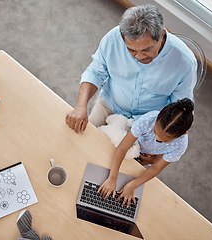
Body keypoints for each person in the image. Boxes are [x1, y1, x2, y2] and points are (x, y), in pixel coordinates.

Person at [66, 4, 197, 134]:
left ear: (161, 35)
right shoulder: (113, 39)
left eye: (146, 49)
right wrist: (80, 106)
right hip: (110, 104)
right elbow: (95, 72)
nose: (139, 57)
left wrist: (160, 143)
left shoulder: (185, 62)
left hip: (151, 121)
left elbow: (180, 107)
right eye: (131, 50)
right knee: (82, 138)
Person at [98, 98, 194, 208]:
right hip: (132, 146)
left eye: (164, 141)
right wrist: (112, 178)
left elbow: (157, 167)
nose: (156, 138)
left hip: (144, 157)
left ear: (184, 134)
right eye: (154, 131)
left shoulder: (180, 145)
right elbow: (122, 148)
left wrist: (133, 185)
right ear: (159, 112)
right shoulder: (148, 120)